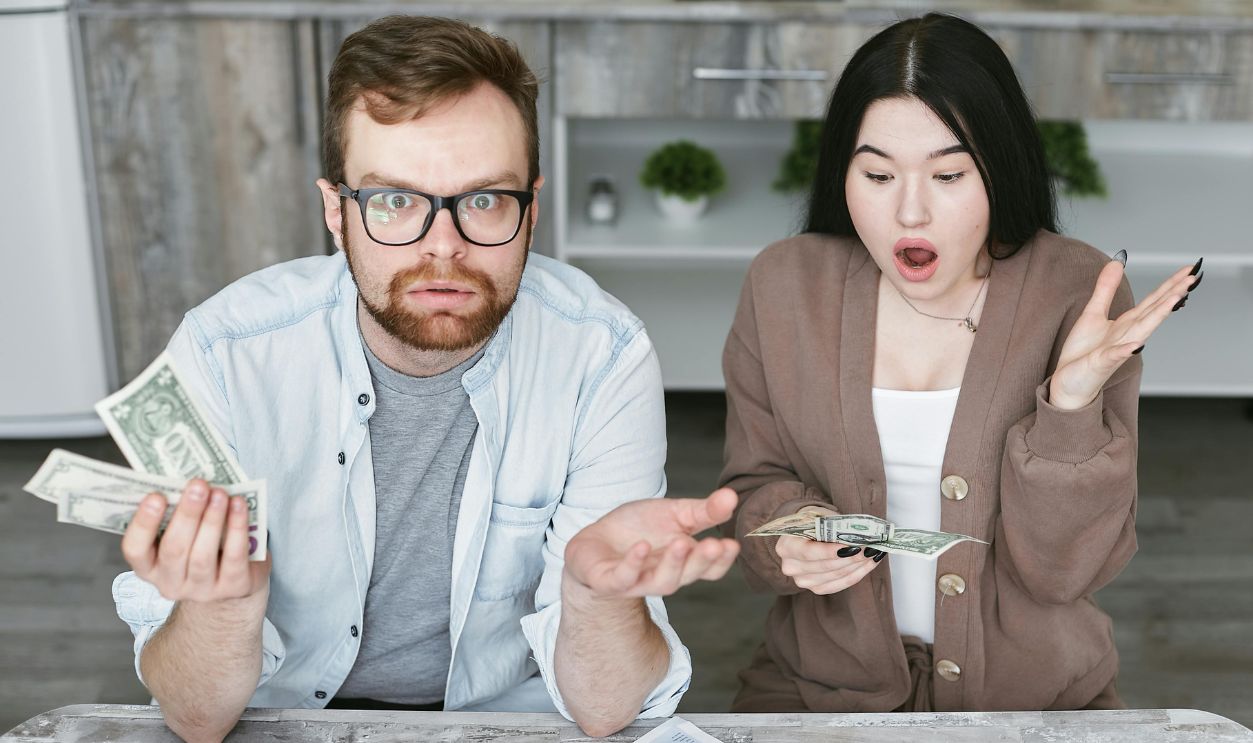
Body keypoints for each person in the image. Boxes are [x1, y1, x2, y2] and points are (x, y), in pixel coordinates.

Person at [111, 15, 739, 741]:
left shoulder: (603, 358)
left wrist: (596, 599)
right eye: (395, 201)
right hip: (279, 714)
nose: (444, 247)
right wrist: (223, 607)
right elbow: (197, 717)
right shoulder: (222, 355)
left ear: (531, 208)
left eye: (484, 200)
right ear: (335, 211)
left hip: (506, 722)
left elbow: (604, 708)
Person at [720, 13, 1202, 713]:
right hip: (816, 692)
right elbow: (750, 488)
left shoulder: (1076, 292)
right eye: (877, 174)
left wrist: (1068, 407)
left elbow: (1065, 572)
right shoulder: (783, 286)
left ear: (998, 169)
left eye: (948, 174)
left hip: (1034, 703)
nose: (909, 212)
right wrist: (792, 531)